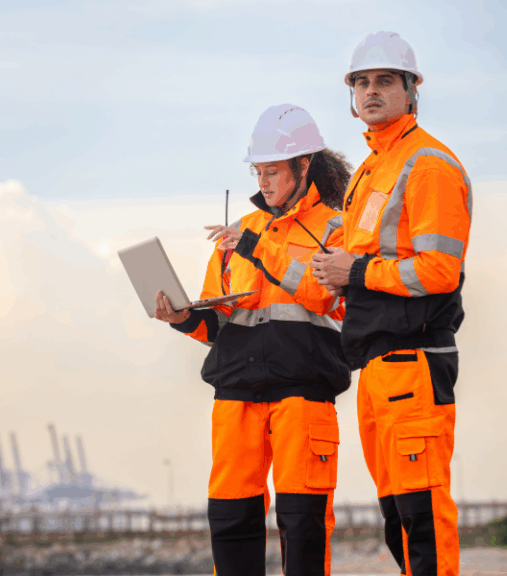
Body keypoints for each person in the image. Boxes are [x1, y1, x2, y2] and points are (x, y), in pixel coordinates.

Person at [154, 104, 352, 576]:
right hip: (236, 395)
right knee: (230, 517)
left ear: (305, 166)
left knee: (303, 519)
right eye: (257, 171)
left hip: (303, 393)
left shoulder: (337, 228)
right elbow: (219, 327)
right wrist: (183, 318)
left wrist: (258, 248)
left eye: (273, 171)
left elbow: (326, 300)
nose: (263, 182)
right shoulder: (239, 233)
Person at [311, 32, 472, 576]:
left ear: (411, 91)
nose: (371, 91)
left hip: (415, 360)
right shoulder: (368, 171)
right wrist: (339, 276)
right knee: (397, 517)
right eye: (362, 82)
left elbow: (437, 270)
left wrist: (352, 270)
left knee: (422, 512)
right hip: (377, 366)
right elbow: (369, 266)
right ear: (351, 94)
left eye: (384, 81)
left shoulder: (426, 165)